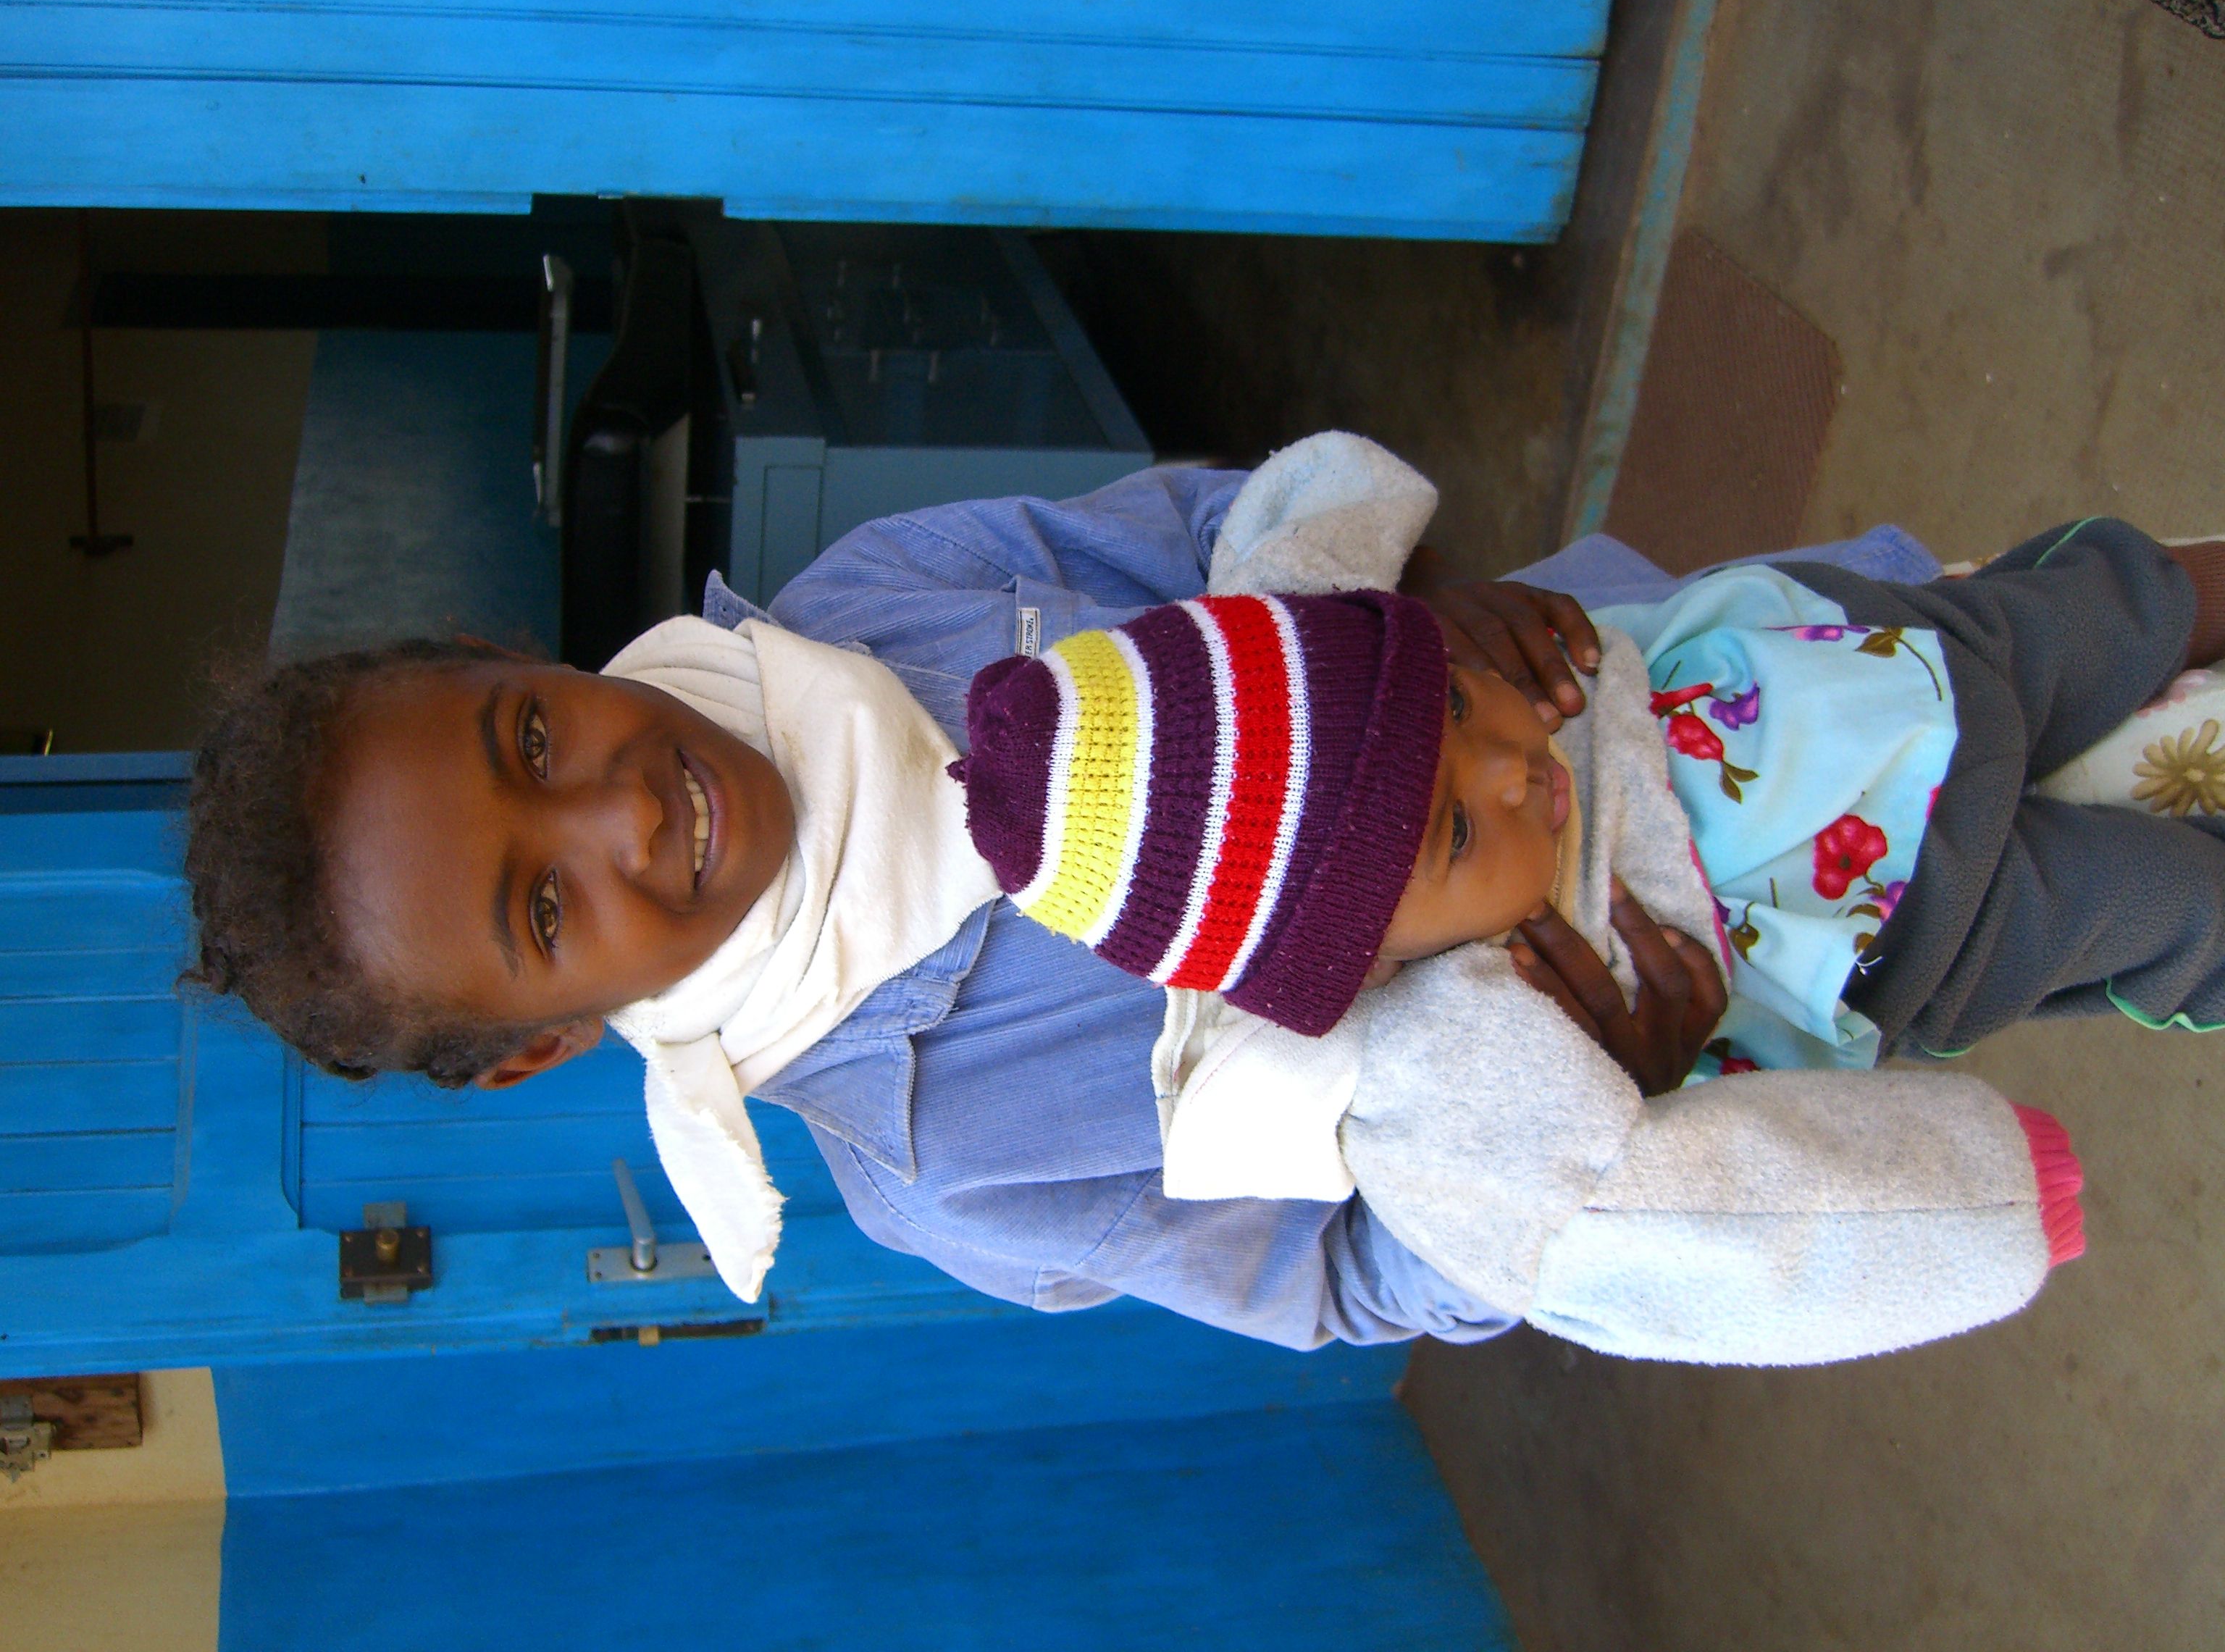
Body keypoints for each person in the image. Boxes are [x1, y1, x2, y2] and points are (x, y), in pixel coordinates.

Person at [178, 440, 2215, 1351]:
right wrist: (1584, 1114)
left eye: (528, 736)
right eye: (544, 912)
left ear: (510, 658)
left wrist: (1424, 615)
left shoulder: (876, 600)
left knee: (2095, 617)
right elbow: (1336, 1282)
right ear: (541, 1046)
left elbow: (1222, 532)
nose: (618, 809)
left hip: (1717, 670)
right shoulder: (948, 1165)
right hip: (1774, 956)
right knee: (2136, 905)